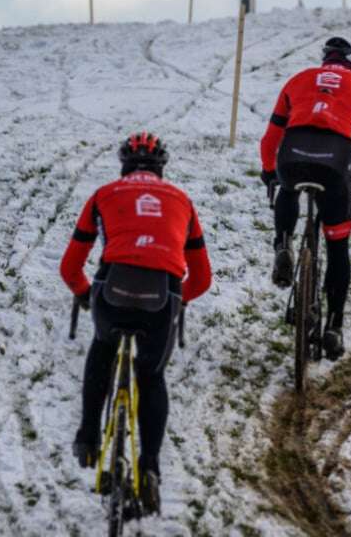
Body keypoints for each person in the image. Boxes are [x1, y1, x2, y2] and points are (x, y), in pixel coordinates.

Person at [60, 132, 212, 516]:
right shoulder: (183, 201)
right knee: (152, 376)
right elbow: (202, 278)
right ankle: (150, 466)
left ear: (123, 165)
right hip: (162, 297)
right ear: (162, 168)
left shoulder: (103, 195)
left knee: (102, 345)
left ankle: (89, 435)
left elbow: (70, 266)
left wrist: (83, 294)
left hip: (113, 291)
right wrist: (179, 303)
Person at [258, 37, 351, 361]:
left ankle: (283, 243)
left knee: (287, 186)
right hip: (334, 161)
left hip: (293, 155)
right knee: (338, 247)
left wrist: (269, 172)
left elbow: (270, 140)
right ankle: (334, 326)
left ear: (325, 61)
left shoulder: (298, 79)